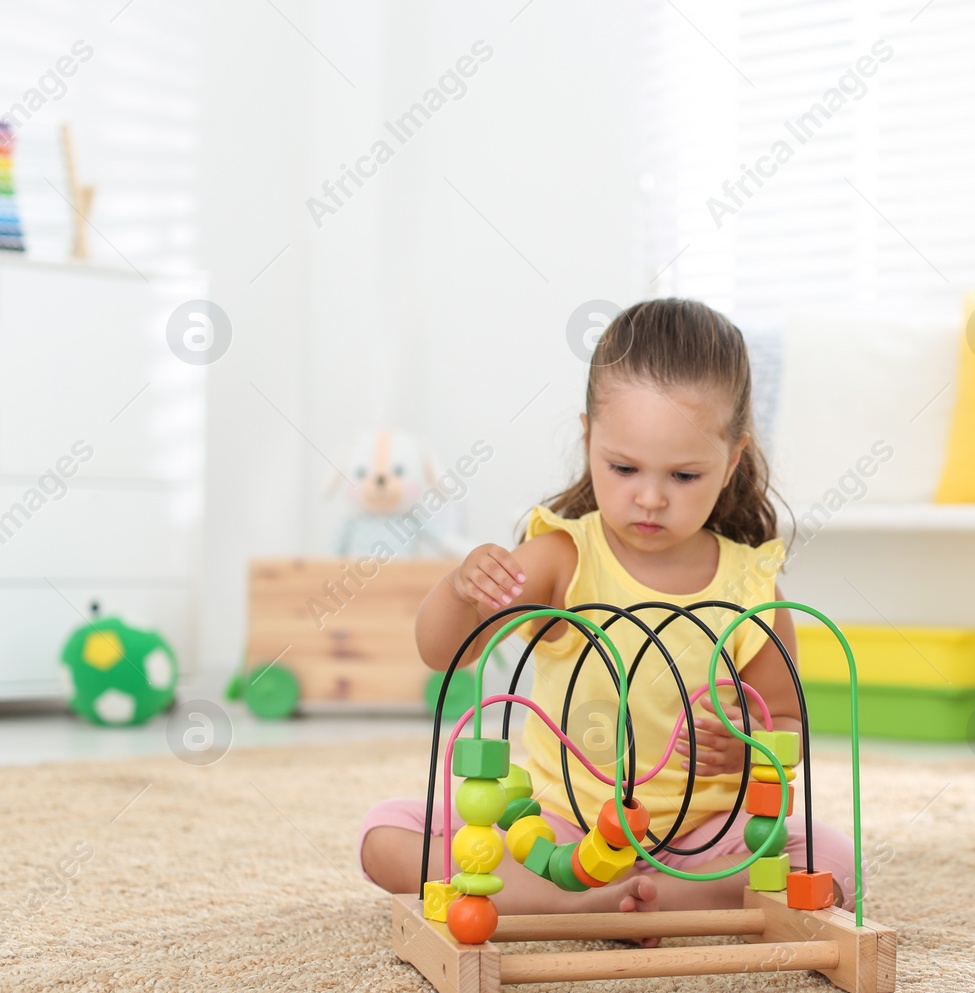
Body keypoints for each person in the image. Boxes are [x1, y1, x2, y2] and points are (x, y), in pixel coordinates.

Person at [357, 298, 855, 941]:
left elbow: (787, 722)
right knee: (385, 834)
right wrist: (460, 591)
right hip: (561, 838)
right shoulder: (562, 559)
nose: (649, 497)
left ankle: (665, 898)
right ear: (589, 438)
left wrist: (747, 741)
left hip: (704, 840)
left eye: (684, 474)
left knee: (829, 856)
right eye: (623, 468)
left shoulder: (752, 586)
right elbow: (440, 650)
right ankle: (578, 904)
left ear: (732, 461)